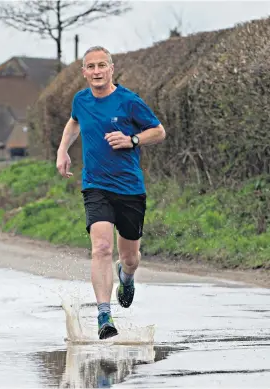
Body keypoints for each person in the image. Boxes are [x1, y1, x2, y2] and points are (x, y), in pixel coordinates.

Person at [56, 46, 167, 340]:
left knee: (129, 256)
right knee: (101, 248)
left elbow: (158, 131)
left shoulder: (129, 101)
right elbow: (74, 121)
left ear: (111, 69)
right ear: (84, 72)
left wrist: (132, 139)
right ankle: (104, 314)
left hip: (130, 188)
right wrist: (62, 150)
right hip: (95, 186)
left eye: (101, 65)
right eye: (90, 67)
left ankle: (126, 277)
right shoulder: (80, 100)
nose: (96, 71)